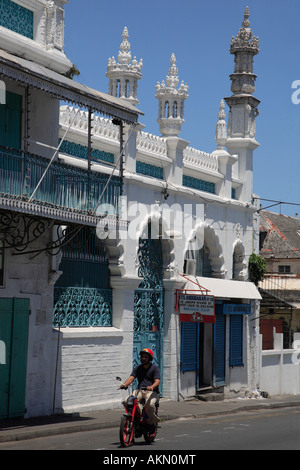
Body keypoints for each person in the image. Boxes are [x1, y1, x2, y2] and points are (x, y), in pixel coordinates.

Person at [119, 348, 160, 428]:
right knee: (127, 400)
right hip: (140, 390)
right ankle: (137, 415)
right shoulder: (138, 368)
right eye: (142, 357)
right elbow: (131, 378)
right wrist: (124, 385)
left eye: (145, 357)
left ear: (150, 358)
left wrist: (151, 387)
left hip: (151, 392)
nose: (143, 359)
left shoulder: (154, 368)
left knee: (150, 404)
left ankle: (151, 422)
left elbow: (157, 381)